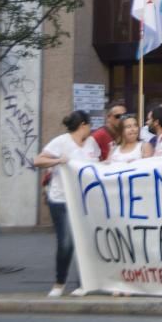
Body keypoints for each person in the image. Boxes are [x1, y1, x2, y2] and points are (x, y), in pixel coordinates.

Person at [35, 110, 99, 297]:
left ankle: (83, 283)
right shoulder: (61, 142)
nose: (90, 130)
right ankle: (59, 282)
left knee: (84, 242)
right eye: (89, 126)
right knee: (66, 242)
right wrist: (58, 161)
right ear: (83, 126)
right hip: (61, 199)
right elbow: (38, 160)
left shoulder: (91, 143)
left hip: (84, 201)